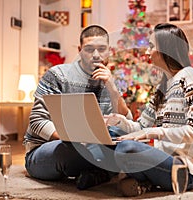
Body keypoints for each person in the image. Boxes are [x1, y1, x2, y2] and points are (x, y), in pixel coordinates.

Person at [105, 23, 193, 197]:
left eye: (151, 47)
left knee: (127, 149)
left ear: (167, 49)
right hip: (161, 158)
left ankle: (140, 179)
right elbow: (140, 127)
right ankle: (145, 180)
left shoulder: (191, 77)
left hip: (187, 169)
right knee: (111, 133)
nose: (147, 52)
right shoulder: (161, 87)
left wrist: (153, 133)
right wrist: (118, 120)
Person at [23, 25, 132, 190]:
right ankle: (104, 171)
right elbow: (37, 121)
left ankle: (96, 172)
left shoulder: (111, 80)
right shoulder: (57, 75)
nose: (96, 55)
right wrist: (74, 138)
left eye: (102, 49)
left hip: (92, 148)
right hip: (50, 150)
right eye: (89, 49)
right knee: (74, 151)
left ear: (109, 51)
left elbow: (126, 123)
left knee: (130, 147)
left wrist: (113, 88)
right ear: (80, 50)